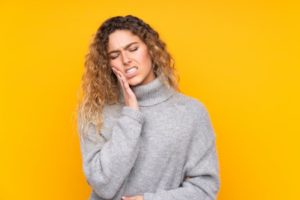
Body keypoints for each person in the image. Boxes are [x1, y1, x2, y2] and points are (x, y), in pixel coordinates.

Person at [77, 15, 220, 200]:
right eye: (115, 55)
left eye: (133, 49)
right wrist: (131, 115)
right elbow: (104, 185)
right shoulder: (96, 113)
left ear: (151, 49)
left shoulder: (191, 113)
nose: (125, 59)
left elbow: (205, 190)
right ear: (108, 64)